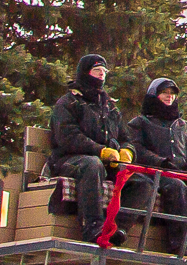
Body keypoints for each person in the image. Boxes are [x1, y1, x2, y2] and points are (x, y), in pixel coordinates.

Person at [47, 52, 142, 246]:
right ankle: (92, 226)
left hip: (106, 162)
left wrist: (127, 151)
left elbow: (126, 137)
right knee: (92, 164)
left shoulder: (109, 107)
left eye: (104, 71)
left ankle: (119, 228)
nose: (101, 74)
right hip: (68, 160)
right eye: (97, 70)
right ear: (85, 72)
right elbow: (68, 137)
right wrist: (100, 151)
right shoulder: (69, 102)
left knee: (142, 182)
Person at [125, 77, 187, 259]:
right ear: (154, 95)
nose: (169, 97)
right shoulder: (140, 123)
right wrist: (160, 162)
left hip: (183, 173)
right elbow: (136, 148)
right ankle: (179, 243)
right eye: (164, 93)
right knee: (177, 187)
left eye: (172, 94)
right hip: (155, 173)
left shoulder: (183, 126)